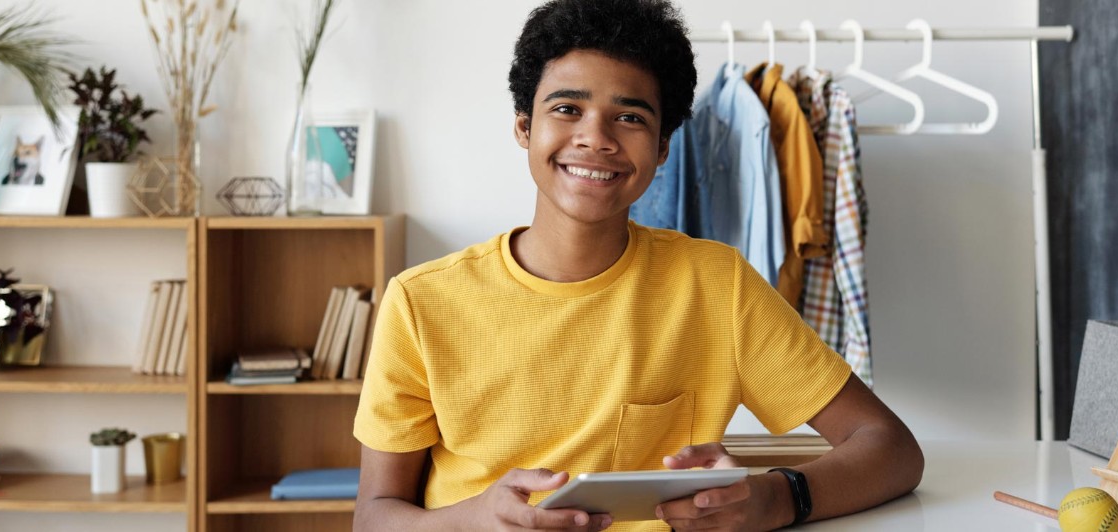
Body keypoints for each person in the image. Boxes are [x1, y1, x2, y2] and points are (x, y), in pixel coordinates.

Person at [352, 1, 923, 530]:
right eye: (567, 108)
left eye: (629, 117)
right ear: (524, 127)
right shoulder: (419, 302)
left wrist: (773, 498)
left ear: (664, 146)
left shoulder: (717, 285)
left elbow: (892, 448)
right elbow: (373, 515)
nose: (595, 138)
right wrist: (469, 520)